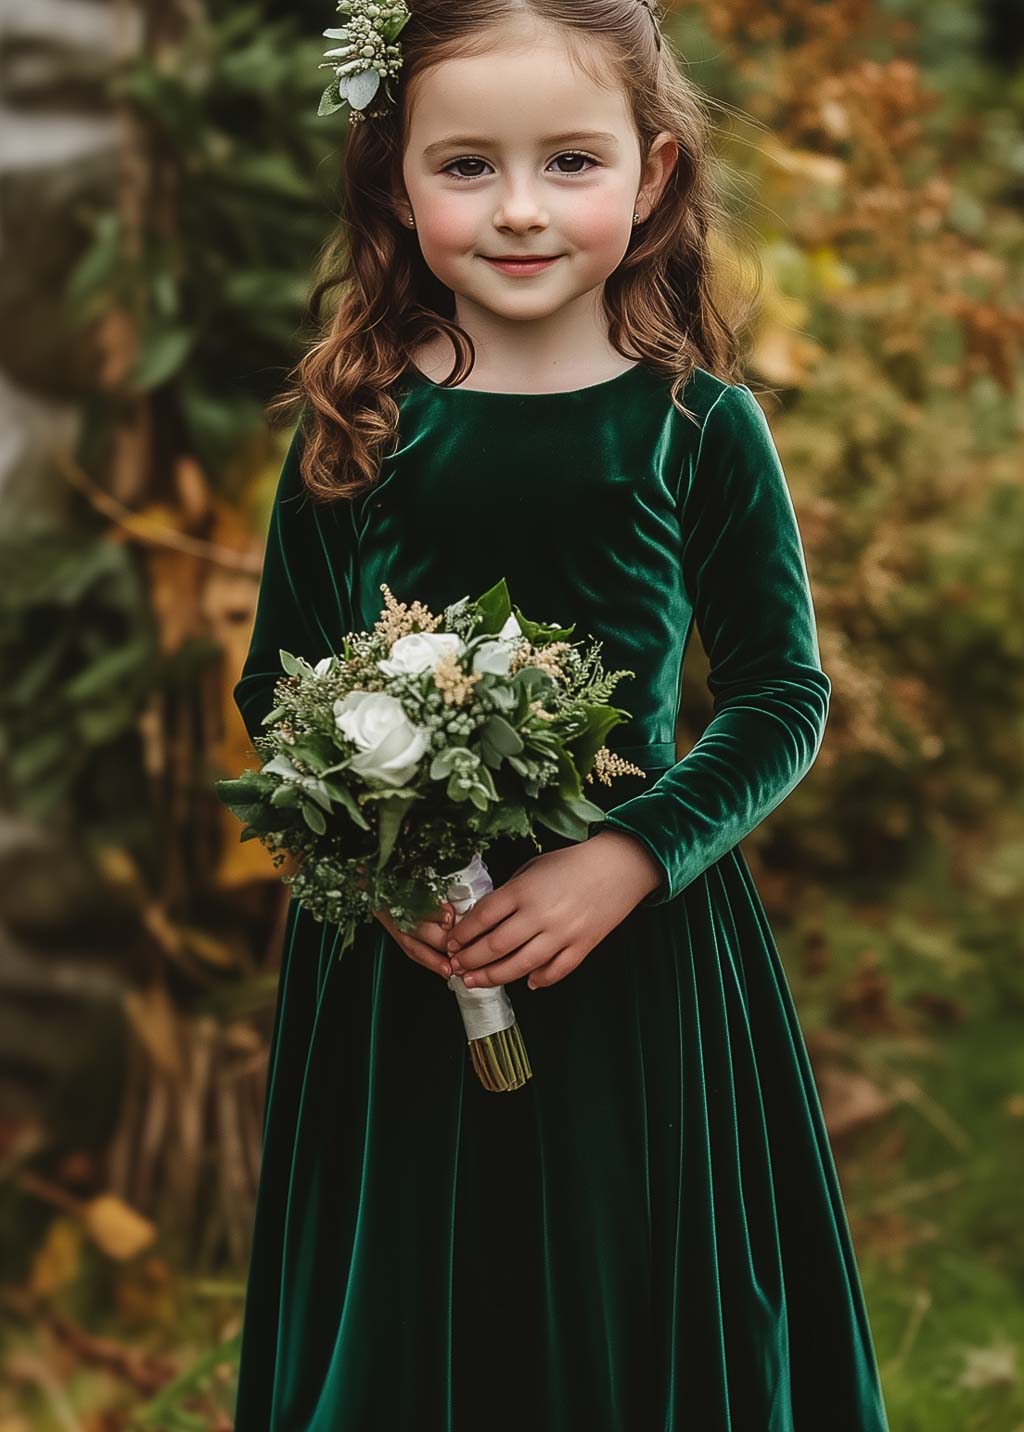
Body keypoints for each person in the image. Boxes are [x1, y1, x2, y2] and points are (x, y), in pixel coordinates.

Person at [229, 2, 891, 1428]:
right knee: (423, 1290)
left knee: (623, 1279)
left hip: (639, 957)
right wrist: (379, 867)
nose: (519, 208)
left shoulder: (697, 427)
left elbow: (781, 695)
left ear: (653, 174)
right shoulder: (360, 421)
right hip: (411, 964)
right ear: (396, 178)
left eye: (570, 161)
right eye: (467, 165)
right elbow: (276, 682)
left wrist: (635, 854)